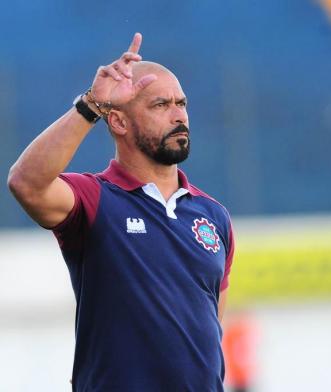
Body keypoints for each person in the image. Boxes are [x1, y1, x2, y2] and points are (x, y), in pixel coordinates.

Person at [8, 32, 235, 391]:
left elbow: (210, 330)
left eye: (181, 103)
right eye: (161, 105)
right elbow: (26, 183)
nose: (178, 115)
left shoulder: (213, 215)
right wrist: (91, 106)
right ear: (119, 122)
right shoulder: (94, 198)